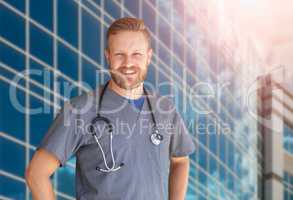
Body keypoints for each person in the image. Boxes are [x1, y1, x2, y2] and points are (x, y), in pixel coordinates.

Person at [25, 17, 195, 200]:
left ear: (149, 57)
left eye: (136, 54)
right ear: (108, 56)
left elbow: (180, 160)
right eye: (119, 54)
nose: (128, 63)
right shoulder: (80, 110)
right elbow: (36, 173)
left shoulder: (166, 110)